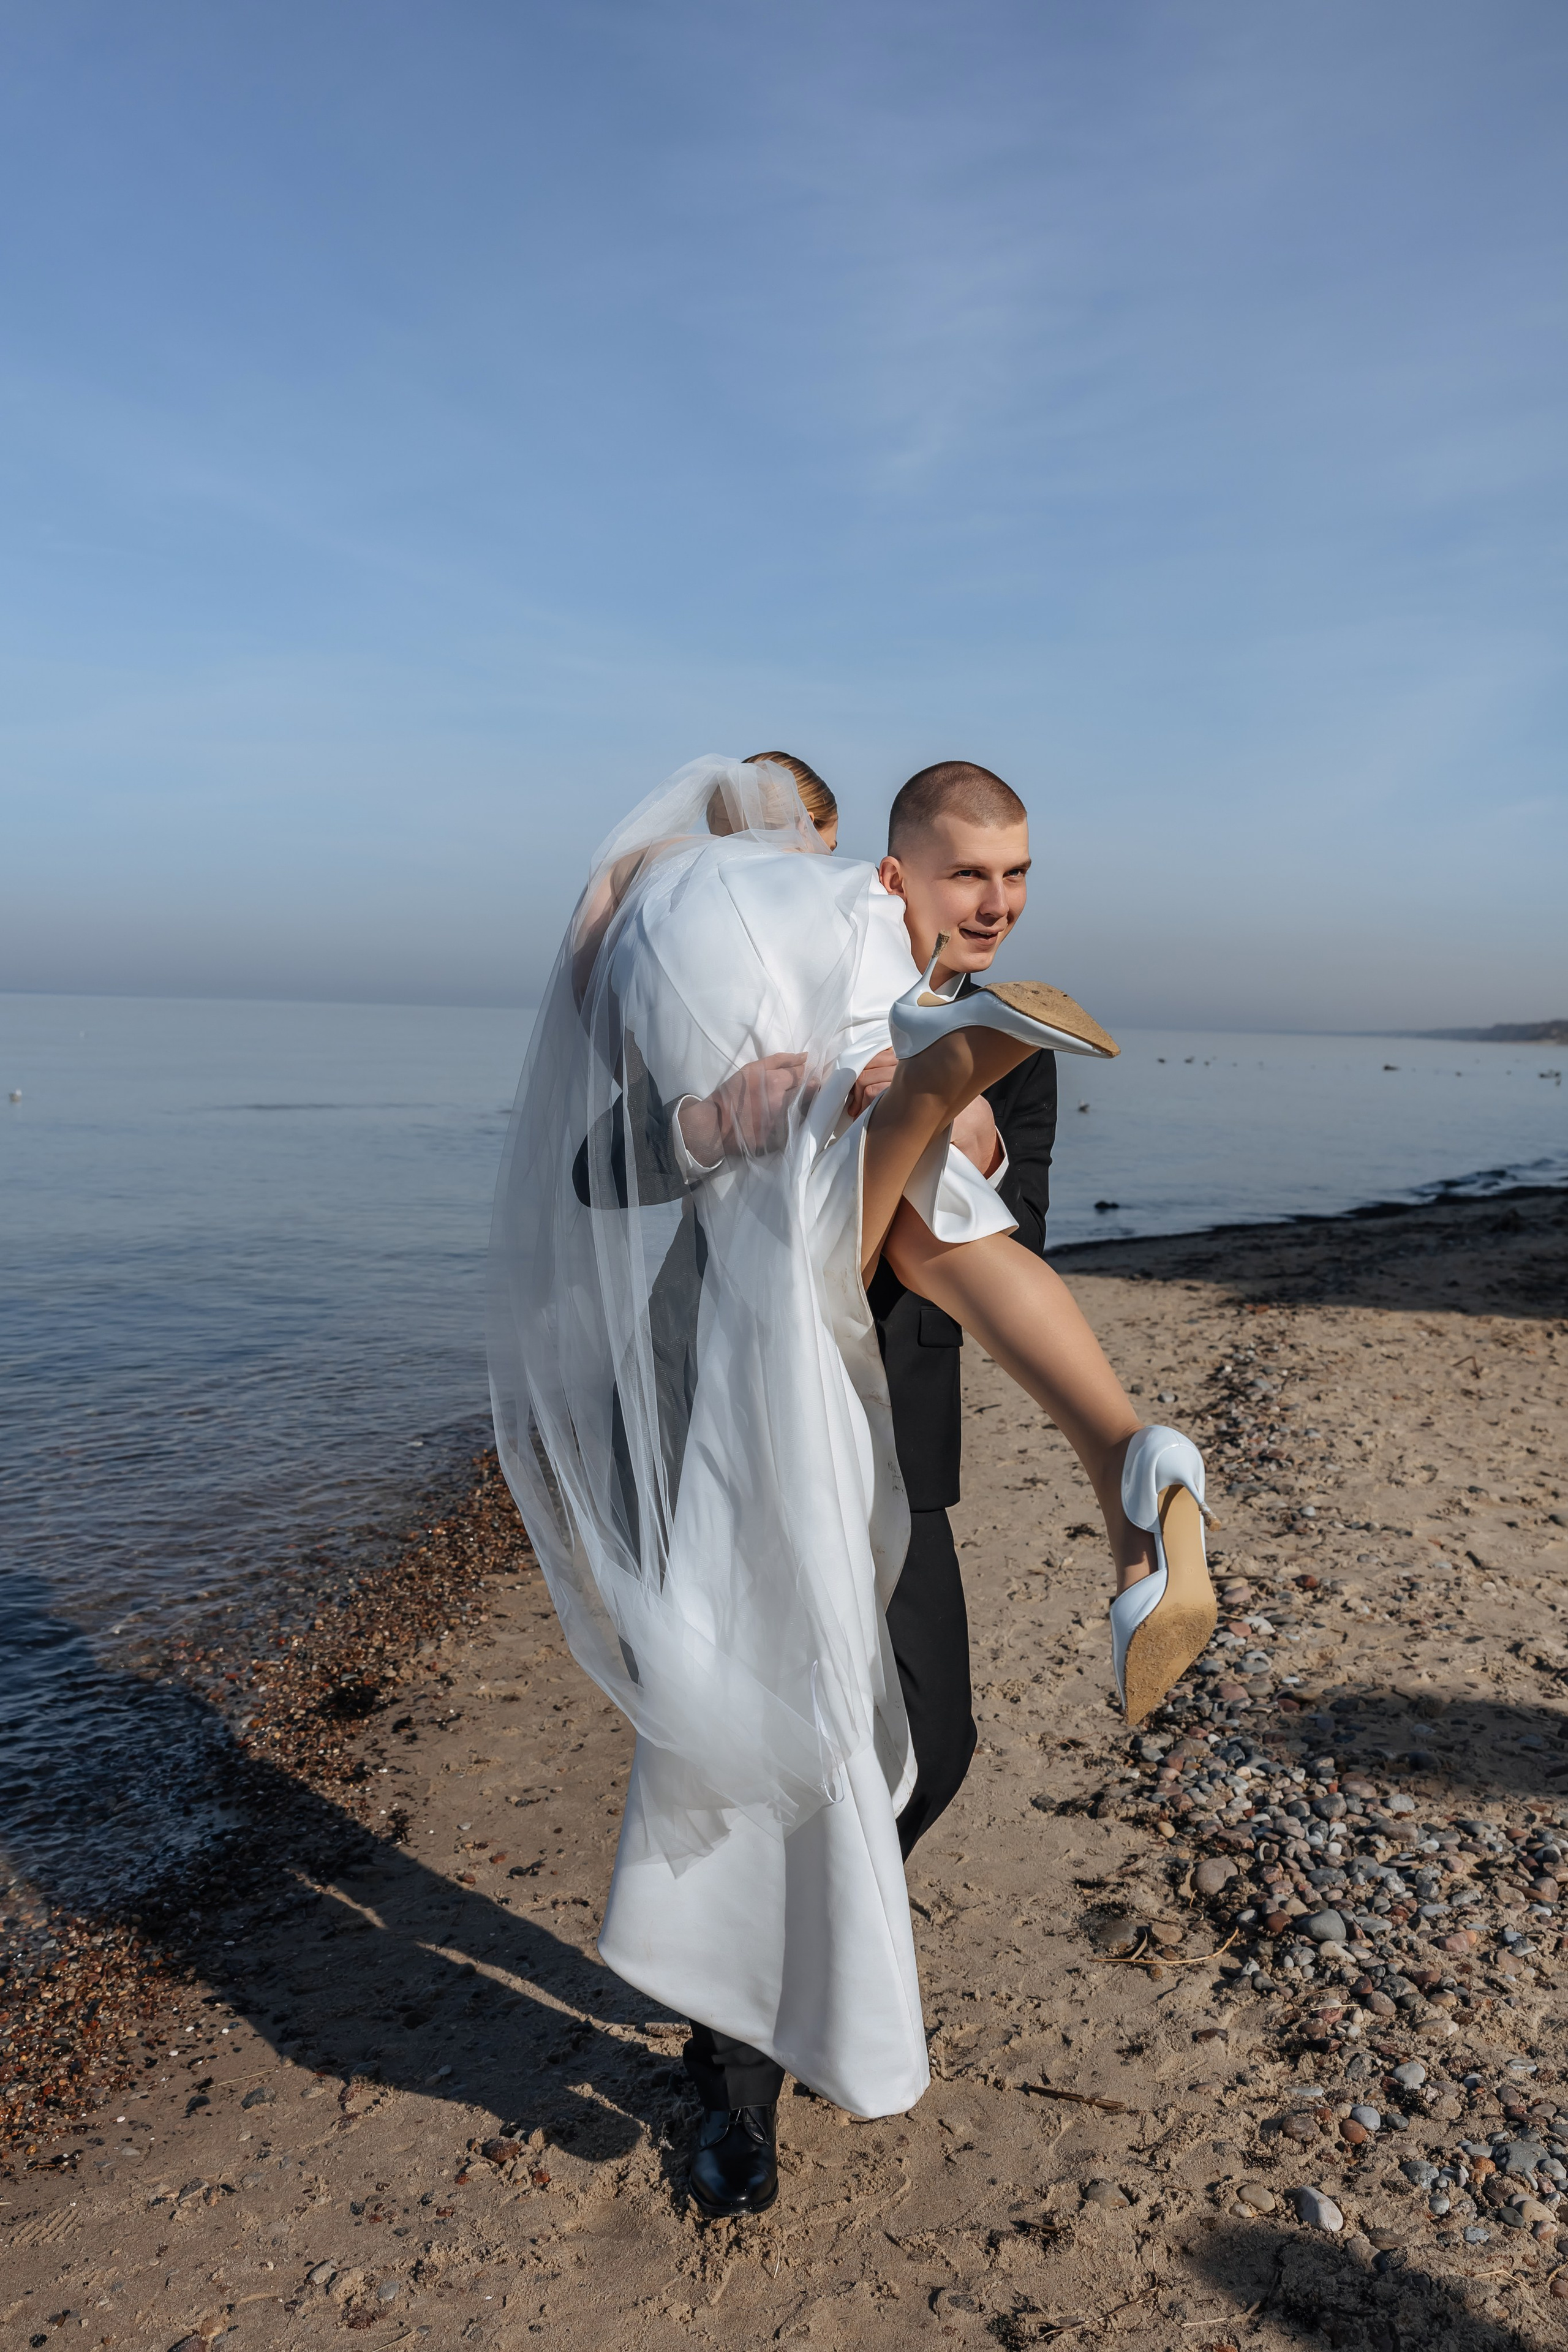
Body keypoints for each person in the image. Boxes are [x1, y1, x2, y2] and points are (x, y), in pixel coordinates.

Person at [487, 755, 1215, 2219]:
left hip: (896, 1441)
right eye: (971, 878)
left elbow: (1010, 1222)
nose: (998, 903)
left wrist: (949, 1105)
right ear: (891, 877)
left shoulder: (1024, 1042)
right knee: (743, 1751)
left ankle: (794, 1949)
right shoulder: (752, 991)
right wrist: (718, 1118)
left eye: (1017, 880)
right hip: (720, 1427)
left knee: (928, 1751)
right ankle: (733, 2076)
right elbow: (597, 1168)